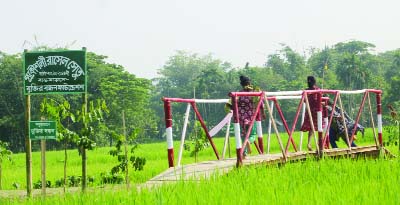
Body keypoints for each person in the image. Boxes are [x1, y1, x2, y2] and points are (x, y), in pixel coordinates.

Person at [226, 75, 263, 156]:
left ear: (241, 84)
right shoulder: (254, 93)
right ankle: (248, 141)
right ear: (249, 82)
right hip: (250, 117)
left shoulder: (238, 94)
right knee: (252, 134)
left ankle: (244, 154)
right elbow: (260, 103)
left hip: (240, 118)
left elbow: (230, 105)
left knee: (243, 135)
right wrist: (262, 112)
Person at [300, 76, 325, 151]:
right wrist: (322, 103)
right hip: (318, 111)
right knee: (321, 127)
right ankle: (319, 144)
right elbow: (318, 100)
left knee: (311, 128)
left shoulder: (306, 91)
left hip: (310, 110)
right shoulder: (317, 90)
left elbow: (304, 100)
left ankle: (309, 143)